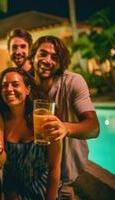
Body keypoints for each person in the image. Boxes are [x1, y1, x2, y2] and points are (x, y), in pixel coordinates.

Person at [29, 35, 100, 199]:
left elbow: (94, 127)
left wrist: (66, 128)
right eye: (42, 54)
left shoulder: (73, 82)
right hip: (32, 175)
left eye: (55, 57)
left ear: (61, 63)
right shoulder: (26, 86)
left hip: (65, 176)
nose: (47, 60)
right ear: (33, 56)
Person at [0, 67, 62, 199]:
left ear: (28, 89)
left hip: (42, 190)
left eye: (15, 84)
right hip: (11, 193)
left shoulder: (44, 118)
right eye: (4, 86)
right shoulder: (0, 119)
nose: (9, 89)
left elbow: (54, 168)